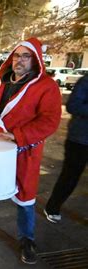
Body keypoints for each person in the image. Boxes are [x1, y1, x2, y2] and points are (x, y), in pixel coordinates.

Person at [0, 38, 62, 265]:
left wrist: (17, 135)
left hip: (25, 150)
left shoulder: (47, 86)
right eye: (17, 56)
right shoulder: (0, 84)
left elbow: (50, 121)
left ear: (35, 60)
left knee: (25, 195)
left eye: (26, 56)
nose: (20, 61)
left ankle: (27, 238)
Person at [44, 73, 88, 223]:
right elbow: (72, 105)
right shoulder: (86, 80)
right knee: (70, 176)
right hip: (80, 139)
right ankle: (52, 207)